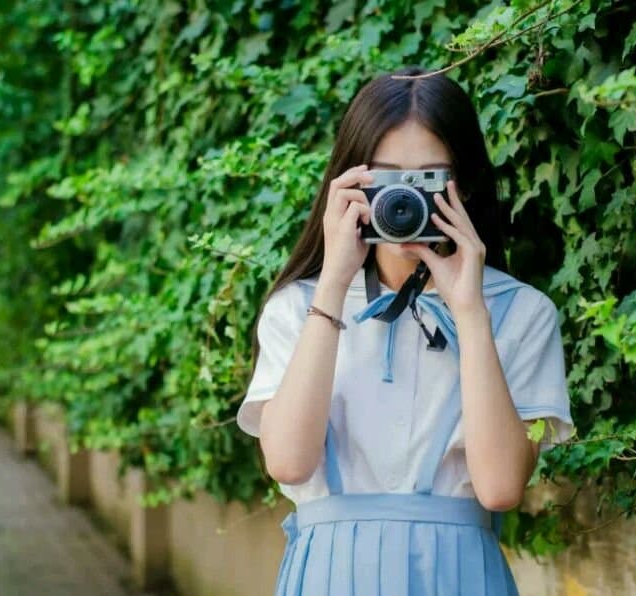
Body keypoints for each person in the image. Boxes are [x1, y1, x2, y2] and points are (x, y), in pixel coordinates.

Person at [236, 64, 575, 596]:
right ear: (348, 181)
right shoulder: (298, 309)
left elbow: (501, 487)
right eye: (386, 178)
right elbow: (288, 461)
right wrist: (332, 286)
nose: (404, 201)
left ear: (463, 184)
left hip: (459, 576)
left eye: (427, 179)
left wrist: (470, 313)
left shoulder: (520, 312)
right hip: (330, 575)